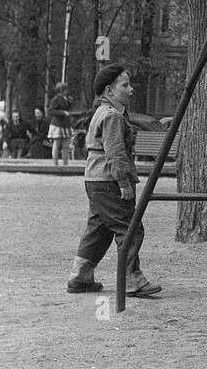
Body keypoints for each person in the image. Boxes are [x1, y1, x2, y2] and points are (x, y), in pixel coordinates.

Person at [67, 63, 162, 298]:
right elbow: (115, 152)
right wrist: (123, 183)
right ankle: (132, 279)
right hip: (108, 180)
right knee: (131, 228)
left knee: (98, 229)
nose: (130, 90)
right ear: (110, 90)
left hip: (95, 179)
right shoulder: (112, 116)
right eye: (125, 85)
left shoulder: (103, 113)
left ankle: (80, 275)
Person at [47, 81, 74, 167]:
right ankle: (55, 164)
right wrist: (62, 112)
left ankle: (65, 164)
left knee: (66, 145)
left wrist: (69, 103)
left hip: (65, 124)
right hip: (57, 124)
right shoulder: (56, 99)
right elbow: (51, 110)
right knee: (57, 143)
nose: (66, 91)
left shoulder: (66, 98)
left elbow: (68, 108)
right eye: (65, 90)